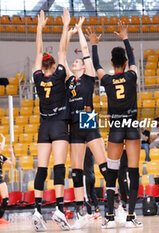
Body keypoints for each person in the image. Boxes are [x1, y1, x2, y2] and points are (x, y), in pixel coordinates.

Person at [87, 21, 142, 228]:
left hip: (116, 128)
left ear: (112, 62)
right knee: (133, 171)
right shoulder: (131, 75)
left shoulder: (107, 80)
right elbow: (134, 61)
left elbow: (96, 66)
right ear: (125, 63)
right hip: (132, 126)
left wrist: (93, 44)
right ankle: (130, 216)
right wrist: (125, 37)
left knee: (112, 170)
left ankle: (109, 217)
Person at [65, 17, 107, 230]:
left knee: (104, 165)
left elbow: (84, 49)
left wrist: (79, 30)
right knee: (76, 171)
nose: (75, 63)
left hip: (88, 118)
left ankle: (113, 207)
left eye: (78, 62)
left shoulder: (89, 76)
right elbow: (61, 56)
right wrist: (66, 31)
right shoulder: (69, 80)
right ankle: (81, 212)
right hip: (74, 123)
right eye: (74, 63)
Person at [32, 9, 71, 232]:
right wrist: (65, 25)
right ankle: (59, 209)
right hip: (58, 125)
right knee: (59, 167)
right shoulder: (59, 75)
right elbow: (62, 49)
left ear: (42, 67)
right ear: (54, 66)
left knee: (41, 169)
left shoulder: (37, 77)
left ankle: (37, 211)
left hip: (43, 126)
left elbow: (38, 52)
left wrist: (40, 27)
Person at [83, 147, 101, 220]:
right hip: (92, 175)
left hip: (86, 176)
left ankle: (89, 213)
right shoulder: (92, 152)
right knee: (93, 193)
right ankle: (97, 212)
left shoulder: (84, 150)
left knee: (87, 195)